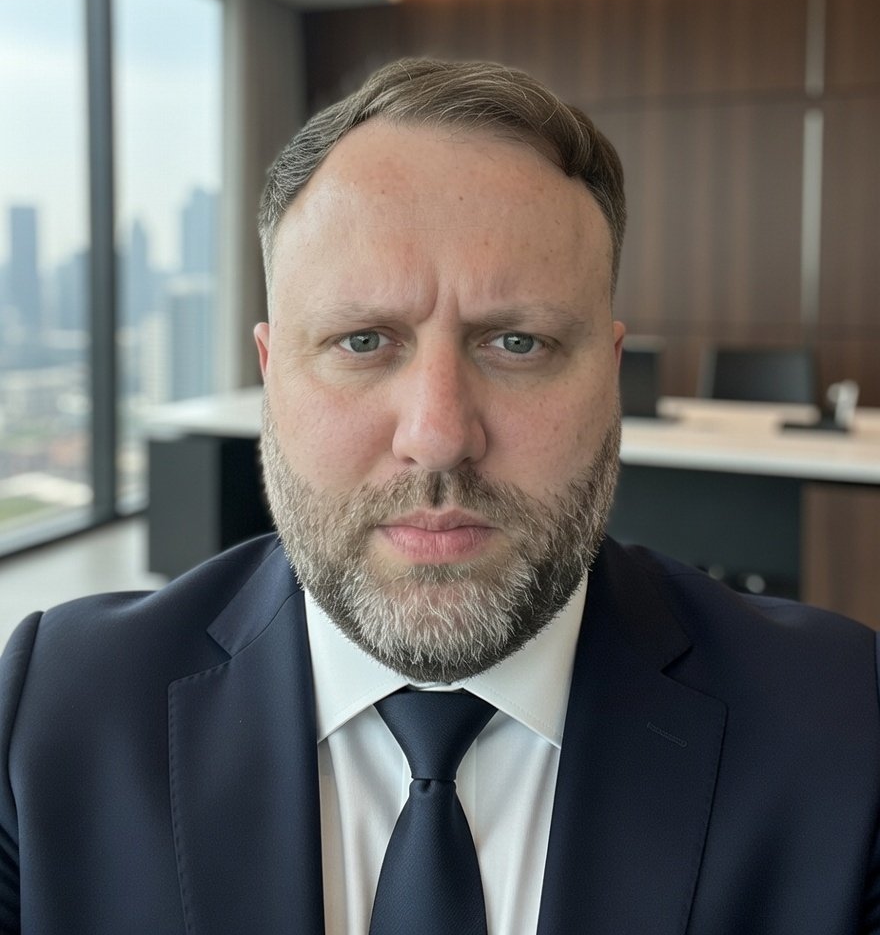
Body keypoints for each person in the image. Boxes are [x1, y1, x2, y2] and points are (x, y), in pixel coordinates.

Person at [0, 57, 878, 935]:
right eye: (362, 340)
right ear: (272, 374)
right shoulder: (52, 713)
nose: (439, 433)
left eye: (518, 342)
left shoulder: (844, 724)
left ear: (609, 378)